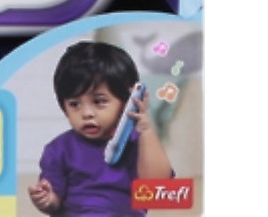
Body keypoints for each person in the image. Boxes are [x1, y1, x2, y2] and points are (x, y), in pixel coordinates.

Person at [27, 41, 173, 215]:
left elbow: (158, 187)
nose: (86, 113)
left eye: (99, 101)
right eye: (74, 104)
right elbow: (54, 202)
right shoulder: (59, 149)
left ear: (127, 101)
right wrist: (47, 199)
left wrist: (146, 130)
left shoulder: (137, 144)